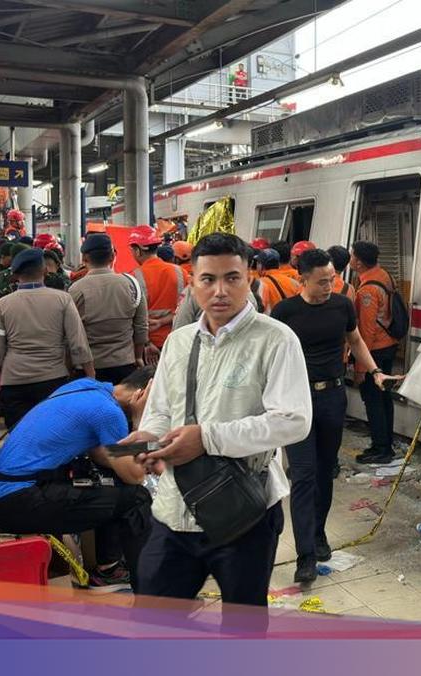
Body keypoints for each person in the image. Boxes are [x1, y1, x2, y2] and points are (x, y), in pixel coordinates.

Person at [117, 233, 310, 617]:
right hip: (175, 509)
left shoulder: (275, 340)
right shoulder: (179, 341)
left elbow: (294, 421)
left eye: (232, 278)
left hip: (244, 513)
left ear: (250, 276)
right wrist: (145, 438)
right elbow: (160, 411)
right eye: (208, 279)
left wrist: (207, 438)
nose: (220, 290)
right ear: (192, 282)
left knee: (242, 625)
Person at [271, 248, 397, 584]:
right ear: (303, 279)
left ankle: (319, 533)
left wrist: (373, 372)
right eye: (322, 281)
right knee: (303, 474)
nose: (329, 285)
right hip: (297, 401)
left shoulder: (342, 305)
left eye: (332, 279)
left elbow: (355, 340)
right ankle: (305, 555)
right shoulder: (284, 312)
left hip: (332, 398)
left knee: (326, 472)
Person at [0, 368, 156, 592]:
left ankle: (109, 569)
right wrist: (138, 419)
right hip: (14, 502)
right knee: (137, 498)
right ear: (142, 395)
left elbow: (100, 454)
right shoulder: (109, 413)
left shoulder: (86, 387)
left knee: (112, 484)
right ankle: (151, 592)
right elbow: (135, 476)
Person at [0, 248, 95, 429]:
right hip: (52, 381)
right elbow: (78, 344)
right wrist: (91, 378)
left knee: (19, 438)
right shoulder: (63, 300)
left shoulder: (1, 305)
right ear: (44, 271)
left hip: (14, 384)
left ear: (15, 274)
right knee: (53, 435)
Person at [69, 234, 150, 385]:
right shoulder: (131, 284)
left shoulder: (76, 290)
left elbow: (72, 334)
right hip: (125, 364)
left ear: (84, 258)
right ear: (112, 256)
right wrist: (138, 356)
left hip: (89, 369)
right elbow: (141, 326)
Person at [350, 241, 400, 464]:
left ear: (358, 262)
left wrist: (362, 368)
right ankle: (385, 443)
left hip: (375, 351)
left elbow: (366, 332)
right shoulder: (384, 275)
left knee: (373, 399)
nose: (351, 259)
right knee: (384, 398)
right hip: (388, 345)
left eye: (352, 256)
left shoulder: (368, 289)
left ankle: (381, 448)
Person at [128, 225, 188, 359]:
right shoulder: (180, 272)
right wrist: (163, 321)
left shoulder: (133, 277)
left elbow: (132, 318)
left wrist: (146, 343)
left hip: (148, 347)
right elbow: (188, 309)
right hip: (177, 342)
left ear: (138, 250)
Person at [256, 247, 299, 313]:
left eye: (258, 263)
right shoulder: (294, 282)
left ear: (261, 265)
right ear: (278, 264)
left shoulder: (260, 284)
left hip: (271, 321)